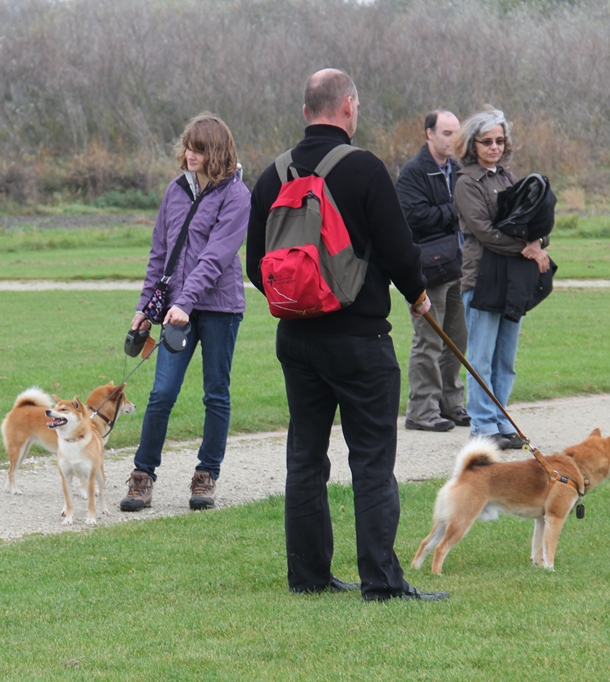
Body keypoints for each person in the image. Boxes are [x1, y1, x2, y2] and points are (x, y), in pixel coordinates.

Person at [246, 69, 448, 602]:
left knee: (305, 458)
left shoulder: (271, 176)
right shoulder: (363, 169)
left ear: (306, 110)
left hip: (295, 340)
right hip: (360, 340)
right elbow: (400, 250)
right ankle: (381, 581)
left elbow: (254, 265)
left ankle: (308, 576)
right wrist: (418, 294)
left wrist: (300, 300)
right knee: (372, 461)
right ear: (349, 107)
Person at [120, 113, 250, 512]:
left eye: (198, 148)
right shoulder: (175, 191)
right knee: (161, 393)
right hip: (176, 308)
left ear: (216, 152)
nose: (188, 154)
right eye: (187, 147)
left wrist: (184, 303)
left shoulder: (237, 196)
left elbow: (214, 258)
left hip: (218, 308)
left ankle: (206, 475)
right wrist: (146, 308)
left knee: (216, 394)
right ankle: (143, 475)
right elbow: (159, 254)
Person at [453, 107, 550, 450]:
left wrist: (538, 242)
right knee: (480, 357)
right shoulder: (467, 182)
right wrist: (528, 249)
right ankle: (482, 426)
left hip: (511, 279)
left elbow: (528, 221)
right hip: (481, 279)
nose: (494, 147)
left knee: (505, 359)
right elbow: (484, 232)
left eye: (499, 140)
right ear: (473, 145)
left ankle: (499, 420)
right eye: (487, 141)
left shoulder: (507, 177)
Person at [396, 109, 469, 433]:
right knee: (428, 340)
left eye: (456, 132)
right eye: (446, 133)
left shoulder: (458, 169)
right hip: (428, 268)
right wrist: (455, 209)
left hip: (458, 265)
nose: (452, 139)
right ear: (429, 134)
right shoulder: (414, 172)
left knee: (457, 339)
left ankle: (451, 404)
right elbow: (413, 216)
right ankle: (421, 409)